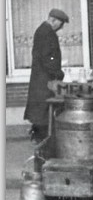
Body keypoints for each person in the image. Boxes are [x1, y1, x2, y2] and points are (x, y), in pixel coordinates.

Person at [24, 8, 69, 144]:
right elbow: (47, 57)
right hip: (45, 80)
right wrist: (57, 73)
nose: (59, 28)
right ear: (53, 20)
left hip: (41, 78)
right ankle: (42, 144)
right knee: (44, 111)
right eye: (60, 24)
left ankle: (39, 138)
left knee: (42, 111)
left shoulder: (43, 31)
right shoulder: (46, 32)